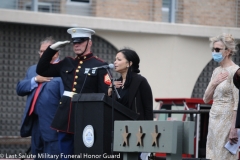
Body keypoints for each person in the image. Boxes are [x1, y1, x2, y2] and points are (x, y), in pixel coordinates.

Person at [36, 28, 110, 159]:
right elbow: (42, 70)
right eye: (74, 42)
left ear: (89, 43)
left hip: (87, 116)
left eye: (80, 42)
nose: (76, 45)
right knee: (65, 155)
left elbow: (104, 96)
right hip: (66, 116)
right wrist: (51, 49)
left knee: (85, 154)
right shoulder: (67, 62)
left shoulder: (99, 65)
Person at [16, 37, 64, 159]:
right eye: (41, 51)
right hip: (35, 123)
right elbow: (20, 89)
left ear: (56, 52)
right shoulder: (33, 70)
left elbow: (66, 102)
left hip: (53, 126)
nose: (42, 54)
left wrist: (62, 124)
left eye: (46, 51)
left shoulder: (63, 70)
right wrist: (35, 80)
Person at [203, 33, 239, 160]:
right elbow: (206, 99)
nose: (214, 52)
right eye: (213, 49)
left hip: (227, 121)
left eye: (217, 49)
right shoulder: (216, 71)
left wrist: (234, 128)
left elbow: (237, 103)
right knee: (212, 155)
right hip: (213, 120)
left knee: (224, 156)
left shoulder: (236, 71)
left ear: (228, 51)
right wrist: (214, 82)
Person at [108, 48, 153, 120]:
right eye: (115, 60)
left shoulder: (140, 81)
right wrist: (110, 89)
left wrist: (148, 127)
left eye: (119, 60)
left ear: (129, 63)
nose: (115, 62)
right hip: (117, 124)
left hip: (135, 125)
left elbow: (148, 108)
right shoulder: (116, 82)